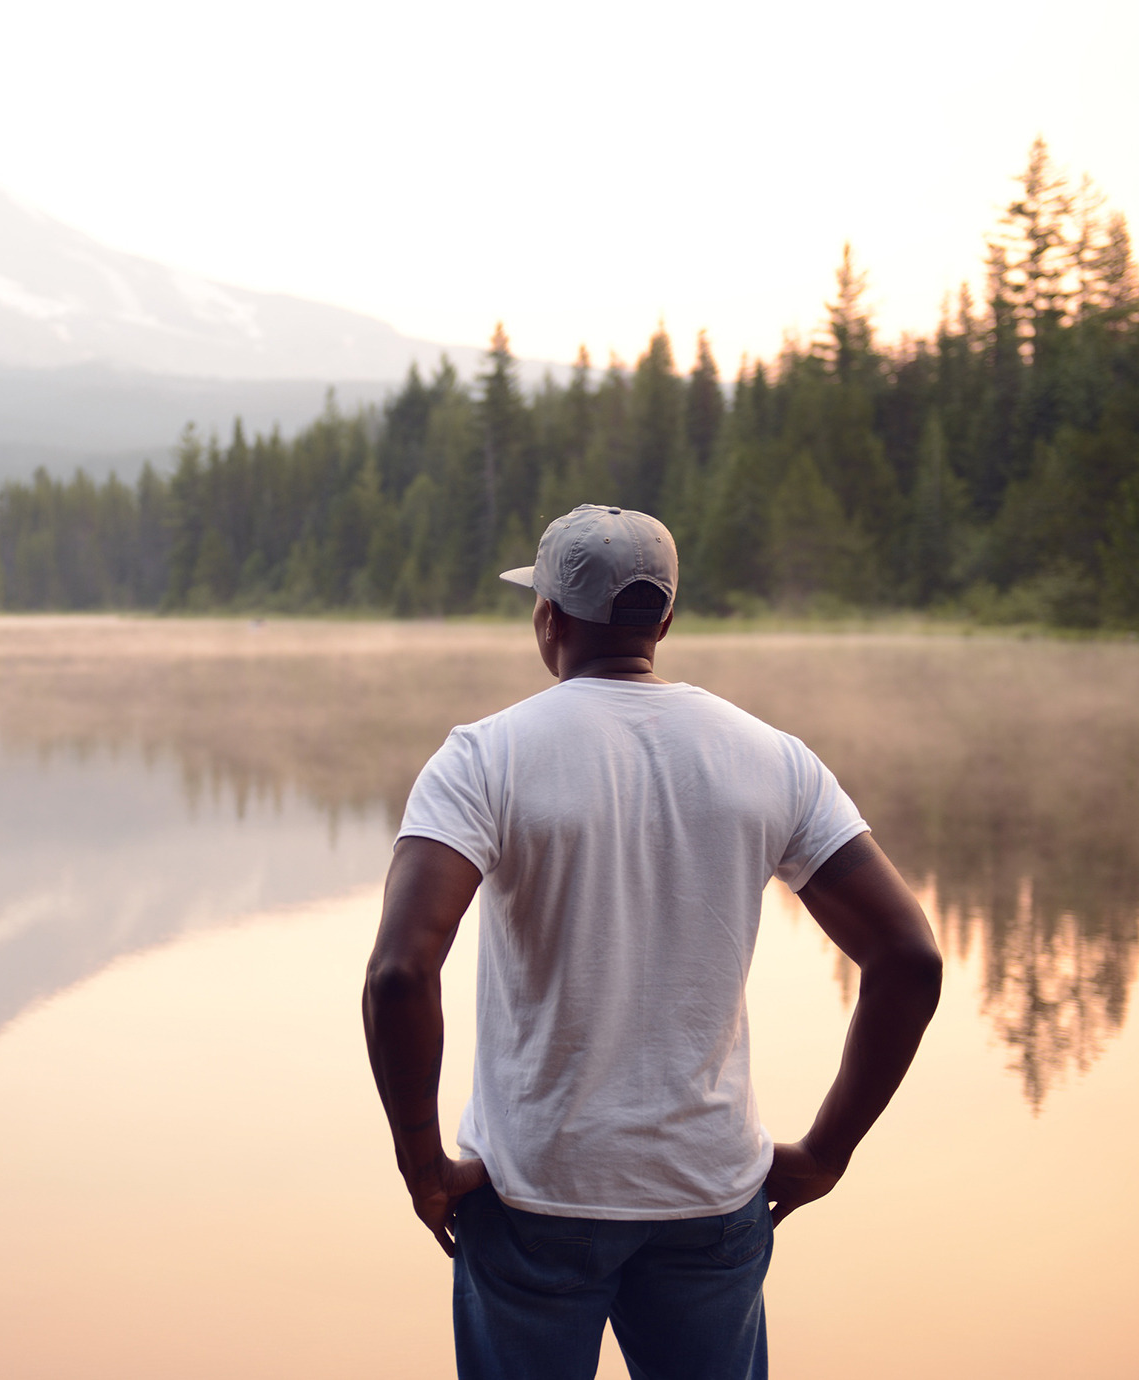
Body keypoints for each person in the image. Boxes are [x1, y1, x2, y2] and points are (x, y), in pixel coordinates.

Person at [361, 504, 942, 1380]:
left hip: (532, 1196)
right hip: (709, 1196)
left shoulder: (484, 758)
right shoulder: (773, 758)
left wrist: (424, 1167)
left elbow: (402, 974)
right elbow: (909, 960)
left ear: (547, 616)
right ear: (664, 620)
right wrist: (826, 1152)